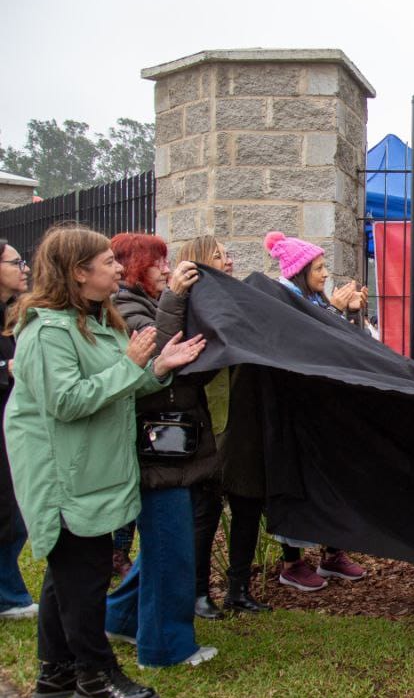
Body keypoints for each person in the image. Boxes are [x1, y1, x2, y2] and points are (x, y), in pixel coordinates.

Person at [6, 225, 205, 698]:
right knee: (84, 579)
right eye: (107, 262)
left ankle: (54, 678)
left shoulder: (95, 322)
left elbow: (119, 390)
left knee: (67, 578)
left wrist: (155, 368)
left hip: (93, 474)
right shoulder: (48, 331)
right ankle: (96, 677)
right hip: (66, 478)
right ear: (78, 273)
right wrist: (131, 362)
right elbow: (68, 401)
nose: (118, 268)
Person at [103, 233, 219, 668]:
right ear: (134, 267)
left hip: (168, 443)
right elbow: (163, 355)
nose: (168, 270)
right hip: (157, 447)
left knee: (163, 545)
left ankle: (119, 617)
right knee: (171, 547)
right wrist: (174, 298)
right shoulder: (128, 308)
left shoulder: (143, 301)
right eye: (158, 263)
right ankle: (165, 647)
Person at [262, 231, 368, 590]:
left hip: (324, 413)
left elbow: (343, 349)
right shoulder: (282, 301)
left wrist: (351, 314)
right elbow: (304, 344)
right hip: (297, 415)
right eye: (319, 268)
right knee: (300, 485)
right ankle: (291, 563)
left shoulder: (312, 300)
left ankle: (332, 554)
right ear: (299, 271)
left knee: (330, 483)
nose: (325, 274)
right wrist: (336, 311)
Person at [176, 235, 271, 615]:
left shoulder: (236, 299)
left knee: (247, 502)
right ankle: (199, 592)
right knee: (207, 510)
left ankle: (238, 588)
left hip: (243, 422)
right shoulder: (192, 305)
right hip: (213, 421)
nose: (228, 261)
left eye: (228, 254)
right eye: (219, 255)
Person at [0, 240, 37, 620]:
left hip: (15, 423)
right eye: (15, 262)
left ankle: (8, 591)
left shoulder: (14, 312)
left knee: (13, 508)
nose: (24, 269)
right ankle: (8, 596)